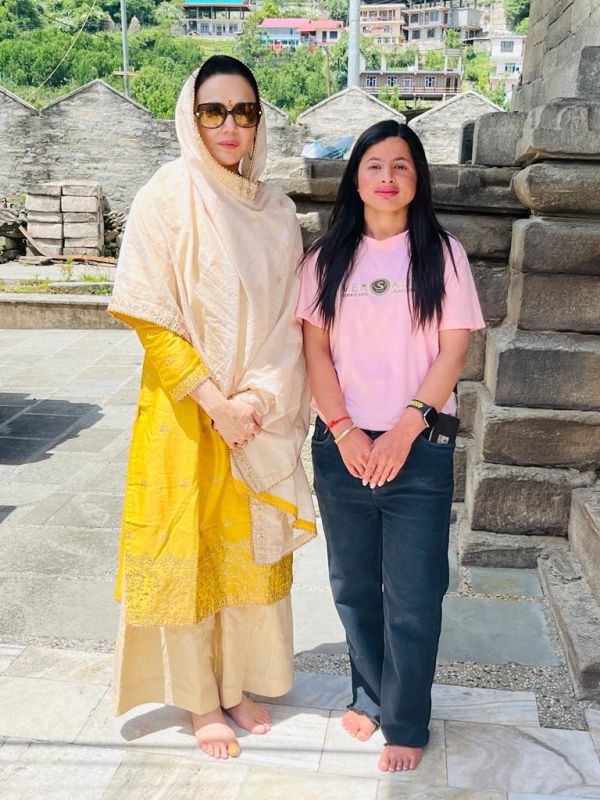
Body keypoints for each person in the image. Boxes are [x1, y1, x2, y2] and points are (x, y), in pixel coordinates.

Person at [108, 56, 316, 760]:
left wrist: (255, 399)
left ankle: (238, 682)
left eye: (244, 111)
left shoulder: (277, 211)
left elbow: (291, 319)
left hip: (255, 415)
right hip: (184, 416)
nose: (231, 126)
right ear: (190, 116)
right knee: (189, 549)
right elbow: (152, 317)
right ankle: (200, 698)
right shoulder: (165, 197)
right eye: (213, 111)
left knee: (244, 552)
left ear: (261, 122)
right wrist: (214, 401)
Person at [297, 120, 485, 773]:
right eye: (374, 165)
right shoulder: (326, 259)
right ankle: (369, 696)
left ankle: (405, 720)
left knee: (412, 590)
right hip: (343, 447)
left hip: (419, 445)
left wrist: (404, 430)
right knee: (352, 585)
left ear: (417, 179)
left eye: (401, 166)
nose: (386, 177)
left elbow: (452, 348)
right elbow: (315, 352)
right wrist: (346, 431)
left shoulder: (443, 254)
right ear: (355, 177)